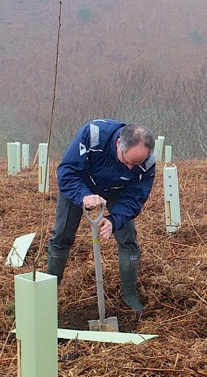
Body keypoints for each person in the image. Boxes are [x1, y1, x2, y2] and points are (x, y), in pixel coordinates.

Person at [43, 120, 158, 313]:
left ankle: (129, 295)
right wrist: (84, 196)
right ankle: (49, 292)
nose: (130, 168)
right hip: (80, 186)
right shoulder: (94, 135)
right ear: (118, 143)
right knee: (62, 235)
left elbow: (136, 196)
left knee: (128, 238)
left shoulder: (147, 162)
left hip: (118, 192)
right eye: (127, 161)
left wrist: (115, 220)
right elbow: (68, 171)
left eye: (135, 164)